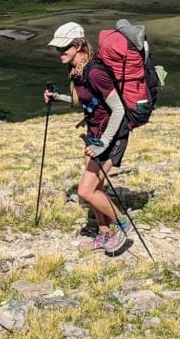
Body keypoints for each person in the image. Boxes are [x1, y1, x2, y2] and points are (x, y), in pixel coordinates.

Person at [44, 21, 131, 255]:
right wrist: (57, 97)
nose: (60, 53)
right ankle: (104, 235)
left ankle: (123, 227)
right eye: (58, 49)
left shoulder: (95, 72)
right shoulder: (76, 71)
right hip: (95, 136)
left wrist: (104, 143)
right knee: (96, 188)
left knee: (85, 191)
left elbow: (119, 109)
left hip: (111, 138)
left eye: (64, 48)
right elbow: (81, 100)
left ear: (79, 45)